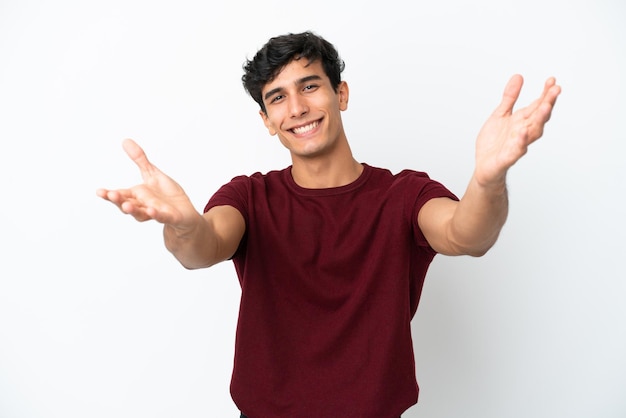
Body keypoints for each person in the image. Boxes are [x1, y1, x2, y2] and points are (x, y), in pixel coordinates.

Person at [97, 31, 561, 418]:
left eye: (310, 86)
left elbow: (467, 234)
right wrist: (181, 225)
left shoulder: (403, 195)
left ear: (341, 93)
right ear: (266, 120)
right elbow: (205, 245)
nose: (296, 107)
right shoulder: (250, 196)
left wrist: (487, 180)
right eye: (277, 98)